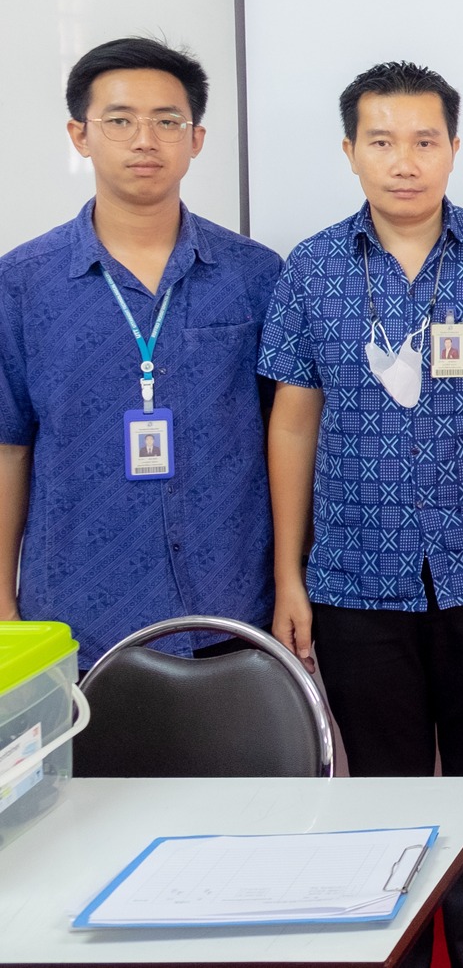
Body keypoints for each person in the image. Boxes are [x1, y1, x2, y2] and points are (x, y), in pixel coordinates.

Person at [259, 61, 463, 968]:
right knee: (386, 795)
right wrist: (290, 572)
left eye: (425, 140)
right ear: (350, 152)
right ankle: (398, 954)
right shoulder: (313, 265)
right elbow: (292, 419)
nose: (405, 161)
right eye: (382, 140)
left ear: (454, 148)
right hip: (356, 580)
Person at [0, 38, 281, 667]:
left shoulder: (256, 276)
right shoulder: (21, 283)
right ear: (79, 135)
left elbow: (289, 437)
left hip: (233, 606)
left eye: (166, 121)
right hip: (75, 615)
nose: (144, 140)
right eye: (120, 121)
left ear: (197, 139)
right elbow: (9, 447)